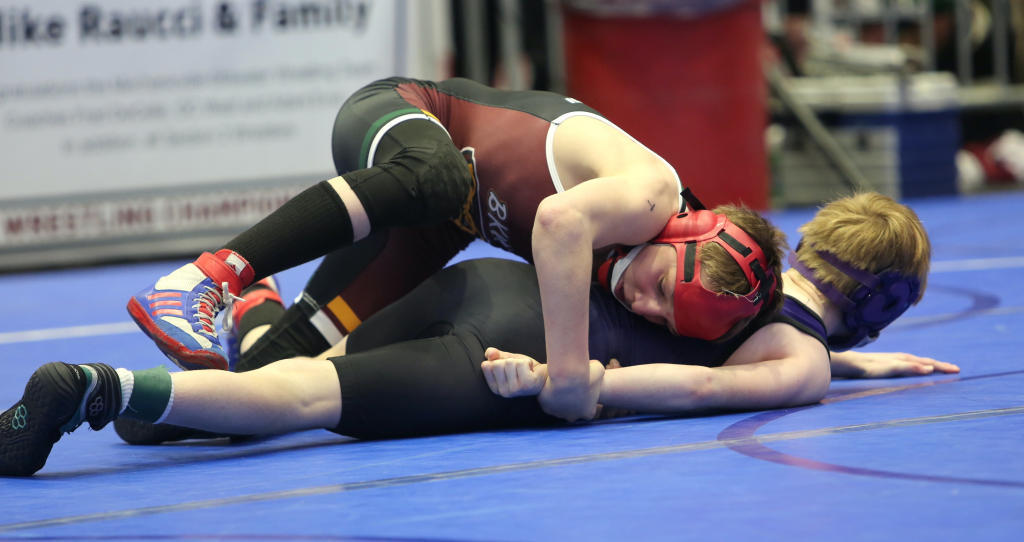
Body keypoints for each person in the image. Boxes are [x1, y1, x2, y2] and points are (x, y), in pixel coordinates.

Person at [0, 193, 957, 477]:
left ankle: (211, 357)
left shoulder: (734, 248)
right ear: (878, 305)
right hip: (516, 354)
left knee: (274, 386)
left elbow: (729, 329)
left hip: (491, 282)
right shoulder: (793, 363)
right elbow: (703, 386)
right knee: (303, 403)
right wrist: (561, 379)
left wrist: (854, 359)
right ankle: (97, 387)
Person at [125, 77, 781, 423]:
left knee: (243, 392)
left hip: (435, 229)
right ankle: (203, 278)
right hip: (410, 117)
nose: (644, 304)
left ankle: (252, 312)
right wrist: (572, 372)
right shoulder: (653, 196)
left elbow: (747, 341)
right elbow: (556, 222)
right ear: (685, 233)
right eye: (662, 289)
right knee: (438, 179)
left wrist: (829, 352)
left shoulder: (662, 261)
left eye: (662, 317)